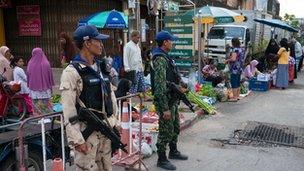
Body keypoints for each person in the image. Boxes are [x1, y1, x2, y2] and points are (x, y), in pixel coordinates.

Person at [60, 25, 119, 171]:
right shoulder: (72, 72)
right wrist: (78, 141)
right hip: (87, 136)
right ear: (87, 43)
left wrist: (115, 122)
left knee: (106, 167)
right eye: (97, 40)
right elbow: (69, 111)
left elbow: (111, 96)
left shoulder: (101, 68)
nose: (101, 44)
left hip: (105, 131)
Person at [151, 30, 188, 170]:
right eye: (170, 40)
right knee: (165, 130)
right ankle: (161, 159)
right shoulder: (160, 59)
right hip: (165, 101)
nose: (172, 42)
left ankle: (173, 151)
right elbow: (160, 86)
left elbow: (169, 79)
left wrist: (181, 85)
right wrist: (165, 107)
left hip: (172, 99)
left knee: (175, 127)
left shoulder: (166, 57)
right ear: (165, 42)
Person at [27, 48, 55, 116]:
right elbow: (50, 76)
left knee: (36, 104)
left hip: (34, 89)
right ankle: (48, 117)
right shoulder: (46, 63)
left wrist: (29, 84)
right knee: (46, 103)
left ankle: (38, 117)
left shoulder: (30, 63)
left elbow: (28, 75)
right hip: (45, 88)